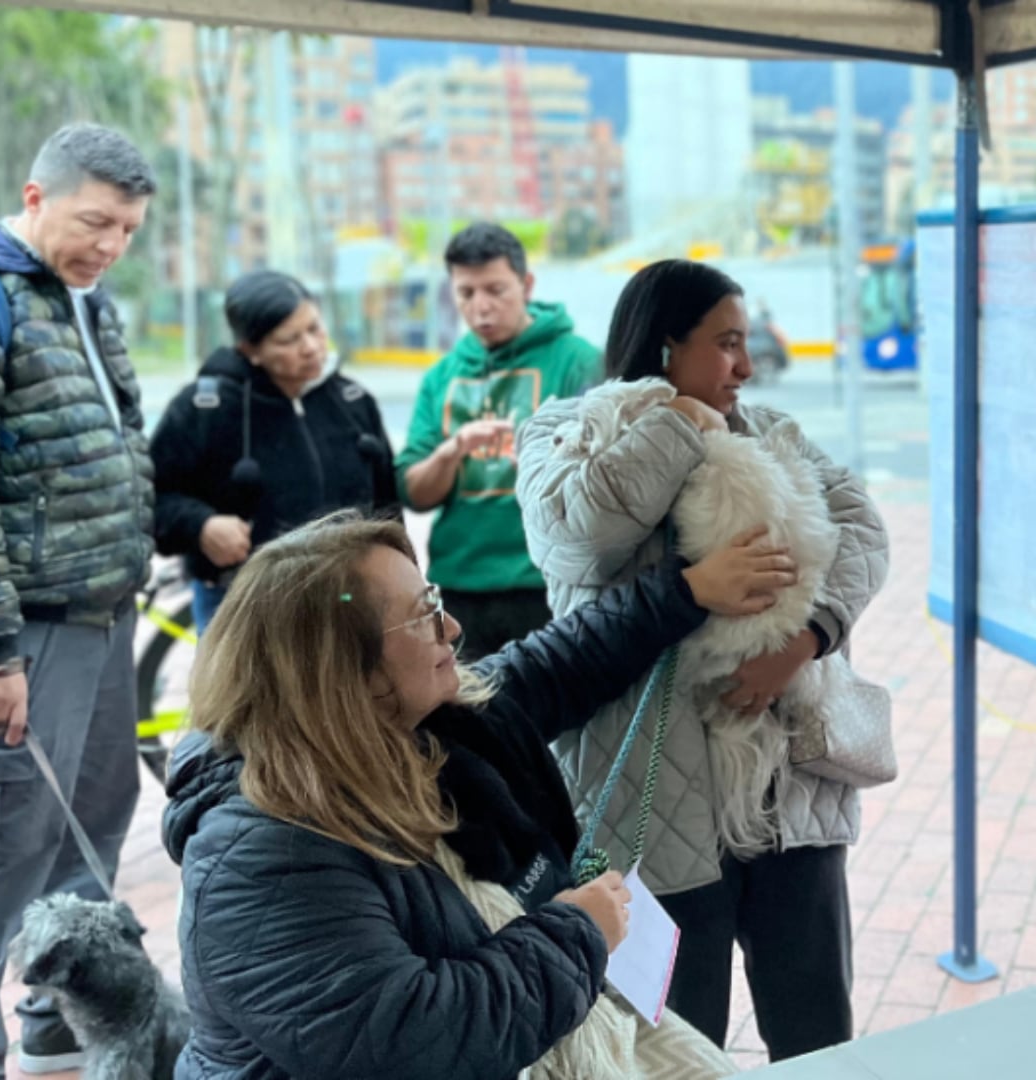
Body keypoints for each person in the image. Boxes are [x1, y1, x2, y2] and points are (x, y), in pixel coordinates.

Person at [165, 512, 796, 1078]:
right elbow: (417, 1041)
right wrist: (577, 933)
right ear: (339, 670)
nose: (452, 626)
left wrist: (686, 592)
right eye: (423, 613)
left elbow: (560, 660)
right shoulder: (264, 856)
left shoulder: (431, 731)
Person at [517, 259, 889, 1060]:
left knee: (819, 1034)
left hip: (787, 804)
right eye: (726, 345)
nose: (746, 368)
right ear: (663, 347)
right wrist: (681, 422)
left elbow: (864, 530)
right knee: (672, 1049)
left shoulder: (769, 432)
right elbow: (584, 537)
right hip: (653, 817)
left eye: (746, 344)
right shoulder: (563, 436)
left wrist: (802, 642)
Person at [0, 123, 157, 1080]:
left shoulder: (88, 304)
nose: (108, 245)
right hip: (26, 633)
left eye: (128, 231)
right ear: (34, 197)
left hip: (106, 618)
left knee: (96, 813)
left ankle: (57, 1023)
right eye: (94, 221)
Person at [395, 222, 603, 660]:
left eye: (495, 290)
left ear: (526, 285)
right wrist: (453, 451)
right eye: (466, 293)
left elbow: (607, 470)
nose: (481, 307)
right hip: (459, 583)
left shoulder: (578, 360)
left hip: (547, 581)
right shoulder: (441, 376)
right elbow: (413, 493)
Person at [151, 270, 400, 632]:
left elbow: (388, 508)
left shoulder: (353, 403)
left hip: (348, 601)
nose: (311, 347)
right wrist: (201, 525)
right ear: (249, 350)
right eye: (288, 340)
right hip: (243, 607)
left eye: (314, 328)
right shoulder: (205, 408)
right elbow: (153, 499)